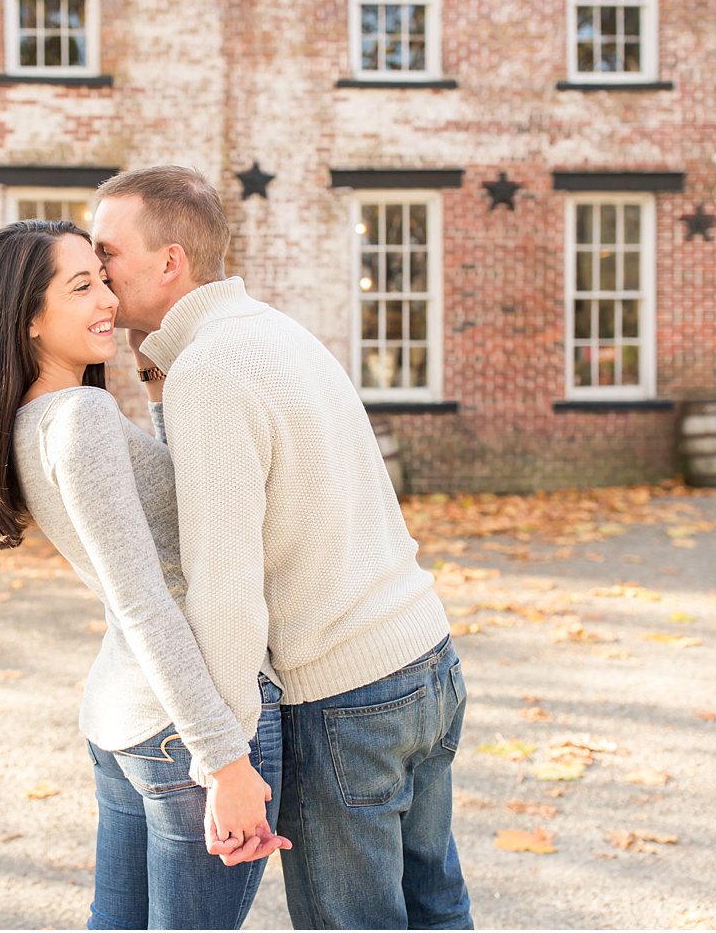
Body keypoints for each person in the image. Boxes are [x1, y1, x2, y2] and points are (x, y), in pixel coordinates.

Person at [91, 167, 474, 930]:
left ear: (169, 261)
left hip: (346, 695)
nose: (96, 274)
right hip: (424, 659)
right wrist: (157, 375)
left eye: (107, 253)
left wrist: (221, 761)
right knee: (437, 909)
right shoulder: (264, 330)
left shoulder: (210, 371)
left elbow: (224, 584)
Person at [0, 220, 289, 930]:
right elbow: (147, 601)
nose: (107, 298)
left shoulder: (30, 420)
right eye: (81, 287)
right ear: (29, 319)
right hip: (184, 728)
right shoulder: (81, 418)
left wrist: (159, 388)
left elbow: (169, 511)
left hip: (125, 718)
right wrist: (224, 761)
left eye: (103, 278)